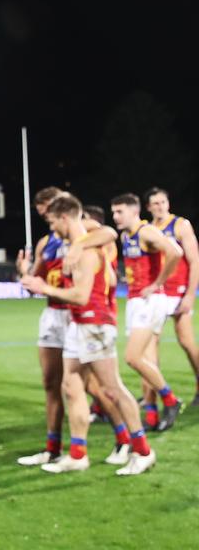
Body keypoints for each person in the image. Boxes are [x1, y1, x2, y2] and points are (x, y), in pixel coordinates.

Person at [20, 194, 156, 475]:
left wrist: (45, 289)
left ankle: (143, 450)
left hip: (94, 323)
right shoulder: (77, 246)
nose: (52, 227)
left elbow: (81, 296)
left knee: (112, 389)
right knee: (70, 386)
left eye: (53, 221)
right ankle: (78, 454)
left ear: (65, 218)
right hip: (78, 324)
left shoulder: (87, 250)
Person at [14, 188, 116, 464]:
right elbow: (36, 283)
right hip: (52, 314)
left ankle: (124, 438)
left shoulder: (84, 230)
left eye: (47, 212)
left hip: (75, 312)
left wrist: (80, 245)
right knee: (51, 383)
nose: (45, 217)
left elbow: (110, 233)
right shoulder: (46, 242)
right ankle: (53, 448)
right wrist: (25, 273)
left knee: (92, 385)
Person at [111, 193, 184, 431]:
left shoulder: (146, 232)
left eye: (120, 211)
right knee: (147, 360)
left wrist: (157, 283)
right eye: (113, 212)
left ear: (134, 212)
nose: (115, 216)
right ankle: (152, 414)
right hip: (135, 300)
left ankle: (170, 399)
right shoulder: (125, 235)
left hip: (150, 300)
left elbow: (175, 252)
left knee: (133, 357)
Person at [146, 187, 199, 404]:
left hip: (177, 292)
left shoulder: (180, 225)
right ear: (148, 207)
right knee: (149, 345)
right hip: (157, 293)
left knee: (186, 341)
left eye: (163, 202)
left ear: (168, 203)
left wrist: (190, 295)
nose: (160, 206)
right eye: (155, 203)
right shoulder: (147, 229)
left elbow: (194, 260)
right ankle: (152, 393)